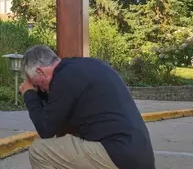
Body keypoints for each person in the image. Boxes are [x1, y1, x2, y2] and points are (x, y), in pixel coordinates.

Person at [18, 45, 155, 169]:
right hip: (138, 155)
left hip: (119, 154)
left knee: (39, 151)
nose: (40, 88)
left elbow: (45, 129)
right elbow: (58, 122)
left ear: (40, 71)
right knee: (66, 144)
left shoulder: (63, 79)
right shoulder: (87, 66)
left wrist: (29, 94)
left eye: (37, 83)